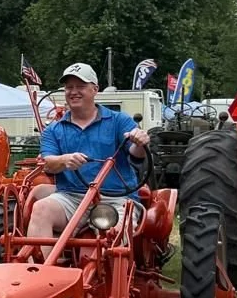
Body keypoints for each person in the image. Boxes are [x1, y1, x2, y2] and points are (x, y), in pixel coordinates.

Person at [27, 62, 150, 242]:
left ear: (95, 89)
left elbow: (136, 154)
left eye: (80, 86)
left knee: (114, 233)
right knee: (41, 209)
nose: (73, 91)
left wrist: (139, 142)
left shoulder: (118, 121)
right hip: (71, 197)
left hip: (115, 198)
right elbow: (48, 163)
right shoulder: (53, 130)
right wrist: (64, 160)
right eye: (69, 87)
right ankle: (43, 268)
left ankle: (111, 269)